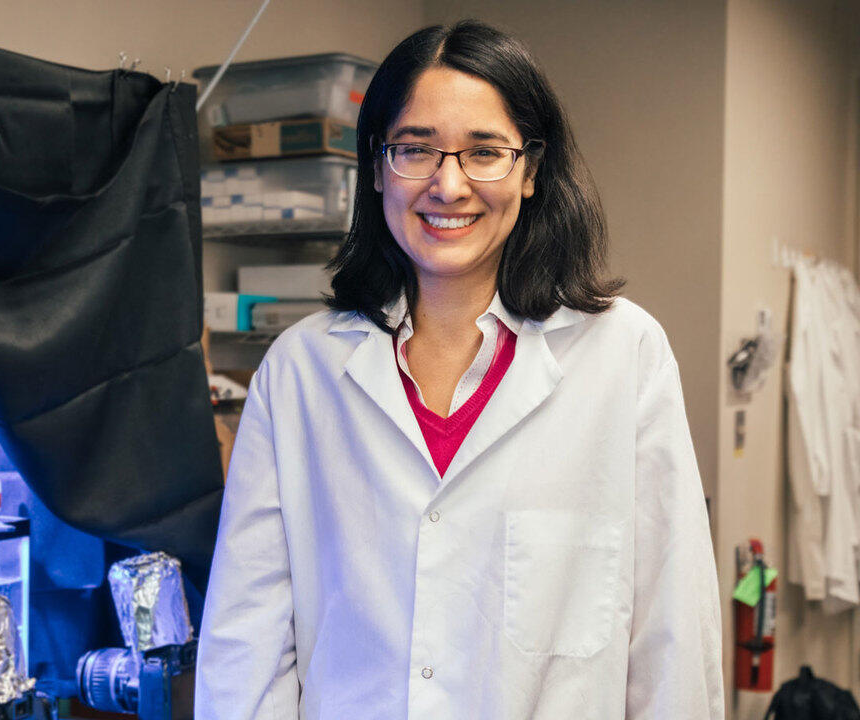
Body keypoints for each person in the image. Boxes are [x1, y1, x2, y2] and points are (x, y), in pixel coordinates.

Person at [194, 20, 723, 720]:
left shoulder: (624, 355)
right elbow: (247, 648)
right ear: (377, 167)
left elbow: (673, 636)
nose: (449, 184)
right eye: (416, 149)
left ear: (531, 172)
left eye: (485, 152)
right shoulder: (301, 371)